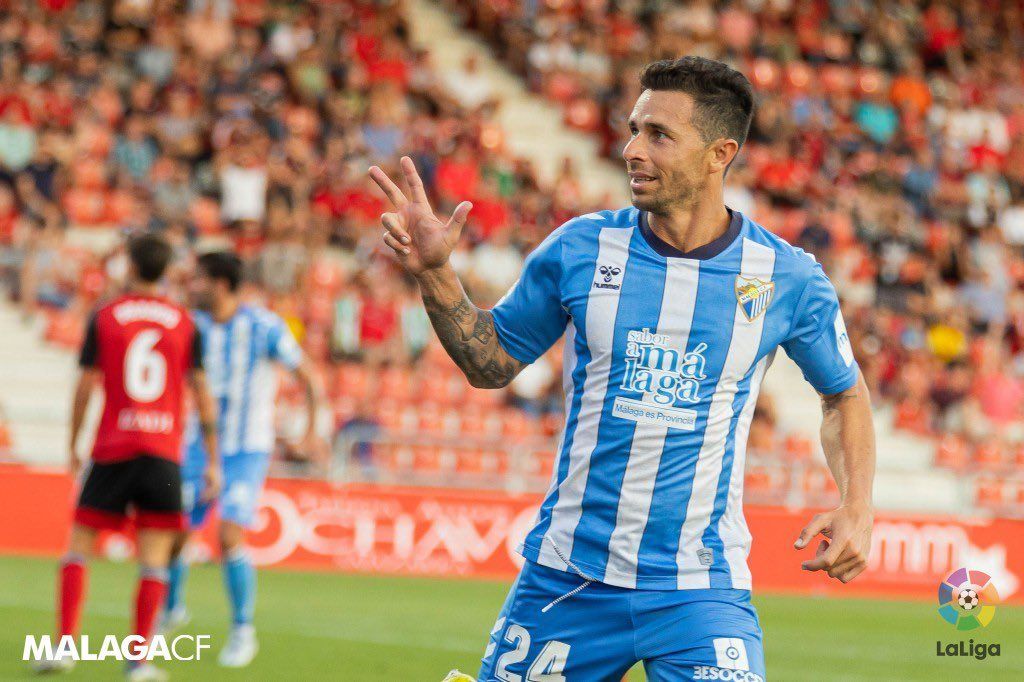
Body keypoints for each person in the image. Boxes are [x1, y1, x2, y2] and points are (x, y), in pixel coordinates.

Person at [370, 56, 876, 681]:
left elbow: (845, 396)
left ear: (721, 153)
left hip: (701, 589)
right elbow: (489, 363)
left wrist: (857, 505)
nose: (633, 149)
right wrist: (435, 274)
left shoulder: (787, 276)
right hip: (569, 577)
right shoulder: (579, 248)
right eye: (635, 128)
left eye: (659, 134)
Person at [37, 232, 220, 681]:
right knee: (154, 559)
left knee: (78, 548)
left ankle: (64, 647)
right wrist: (212, 457)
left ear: (131, 265)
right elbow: (201, 390)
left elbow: (84, 384)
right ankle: (138, 661)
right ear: (164, 270)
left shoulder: (106, 315)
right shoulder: (184, 321)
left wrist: (73, 442)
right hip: (164, 454)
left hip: (113, 447)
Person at [160, 251, 322, 668]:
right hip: (198, 446)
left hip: (247, 449)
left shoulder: (264, 326)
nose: (191, 286)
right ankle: (172, 608)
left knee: (229, 533)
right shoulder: (191, 327)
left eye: (198, 280)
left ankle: (242, 630)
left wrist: (308, 431)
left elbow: (308, 376)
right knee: (177, 531)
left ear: (220, 284)